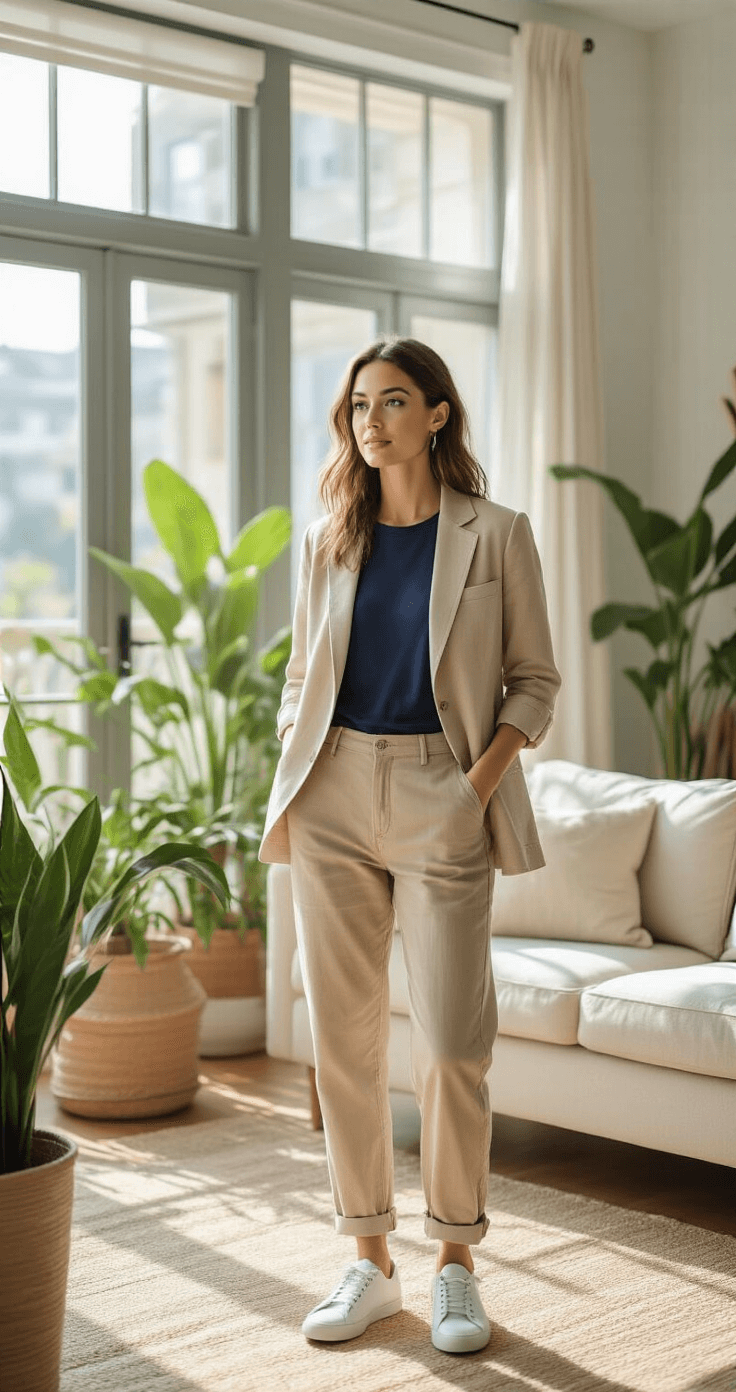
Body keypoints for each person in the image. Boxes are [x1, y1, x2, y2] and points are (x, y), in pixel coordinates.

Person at [259, 336, 562, 1354]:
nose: (370, 421)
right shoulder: (328, 538)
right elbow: (300, 676)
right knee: (342, 1042)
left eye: (392, 401)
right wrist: (299, 748)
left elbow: (535, 681)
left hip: (446, 788)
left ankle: (456, 1265)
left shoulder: (497, 533)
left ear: (436, 414)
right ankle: (370, 1260)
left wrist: (473, 789)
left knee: (452, 1043)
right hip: (332, 789)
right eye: (357, 406)